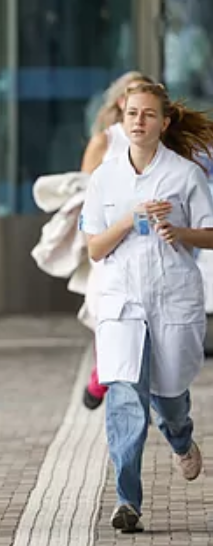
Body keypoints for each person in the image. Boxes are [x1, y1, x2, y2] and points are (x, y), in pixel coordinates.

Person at [80, 82, 213, 533]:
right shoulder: (105, 176)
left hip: (173, 296)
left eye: (149, 114)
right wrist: (127, 221)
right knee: (124, 399)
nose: (139, 121)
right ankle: (127, 500)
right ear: (121, 118)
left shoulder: (185, 175)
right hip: (121, 301)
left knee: (169, 398)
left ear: (164, 122)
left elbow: (211, 233)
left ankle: (181, 438)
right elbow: (95, 248)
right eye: (132, 113)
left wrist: (179, 231)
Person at [79, 71, 155, 410]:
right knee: (107, 313)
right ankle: (102, 376)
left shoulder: (162, 142)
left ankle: (137, 390)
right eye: (130, 98)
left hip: (152, 245)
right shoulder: (104, 142)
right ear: (121, 103)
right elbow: (85, 191)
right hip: (110, 245)